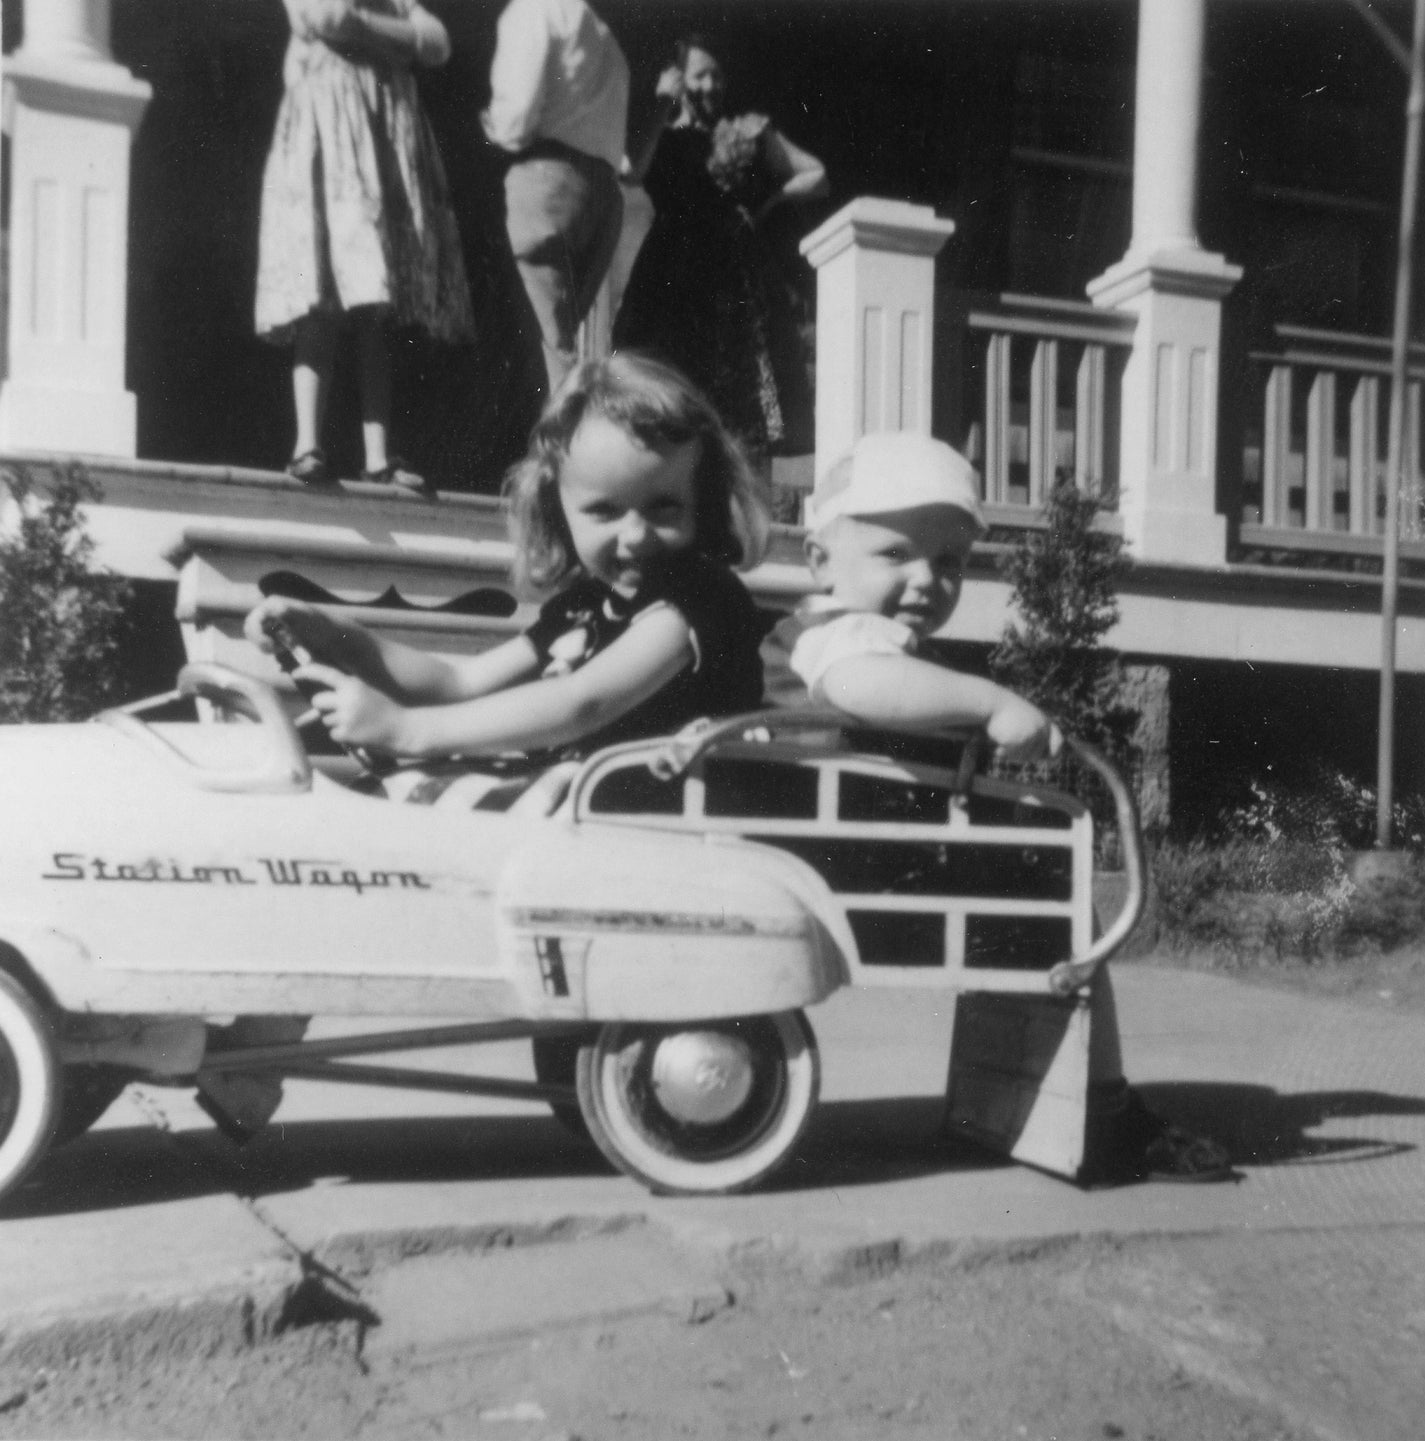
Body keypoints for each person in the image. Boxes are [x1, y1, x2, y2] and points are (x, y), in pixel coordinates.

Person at [768, 431, 1237, 1186]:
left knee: (1033, 877)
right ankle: (1103, 1108)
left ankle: (1032, 1095)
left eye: (947, 561)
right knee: (1056, 902)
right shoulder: (846, 637)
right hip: (857, 861)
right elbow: (859, 686)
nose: (925, 579)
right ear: (821, 561)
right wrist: (988, 701)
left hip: (853, 850)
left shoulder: (860, 633)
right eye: (895, 554)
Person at [243, 352, 771, 786]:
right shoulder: (584, 607)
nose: (635, 536)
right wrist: (338, 636)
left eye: (663, 507)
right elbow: (457, 682)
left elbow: (581, 701)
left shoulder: (697, 602)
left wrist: (408, 730)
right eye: (605, 511)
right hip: (600, 812)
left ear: (702, 502)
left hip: (678, 820)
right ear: (557, 512)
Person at [255, 0, 475, 492]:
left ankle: (378, 456)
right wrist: (401, 39)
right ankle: (306, 443)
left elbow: (437, 42)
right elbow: (325, 17)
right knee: (322, 297)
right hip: (330, 134)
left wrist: (366, 27)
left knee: (375, 308)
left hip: (382, 137)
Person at [614, 35, 829, 478]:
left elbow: (817, 176)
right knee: (666, 388)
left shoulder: (746, 130)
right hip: (673, 269)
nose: (710, 85)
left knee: (742, 394)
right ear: (679, 79)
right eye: (699, 76)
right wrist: (661, 103)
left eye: (717, 75)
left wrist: (769, 203)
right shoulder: (662, 134)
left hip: (735, 273)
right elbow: (631, 170)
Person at [481, 0, 630, 393]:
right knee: (562, 337)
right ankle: (567, 441)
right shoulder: (604, 36)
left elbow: (514, 120)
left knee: (544, 342)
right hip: (601, 194)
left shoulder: (532, 10)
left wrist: (484, 128)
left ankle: (560, 448)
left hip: (545, 183)